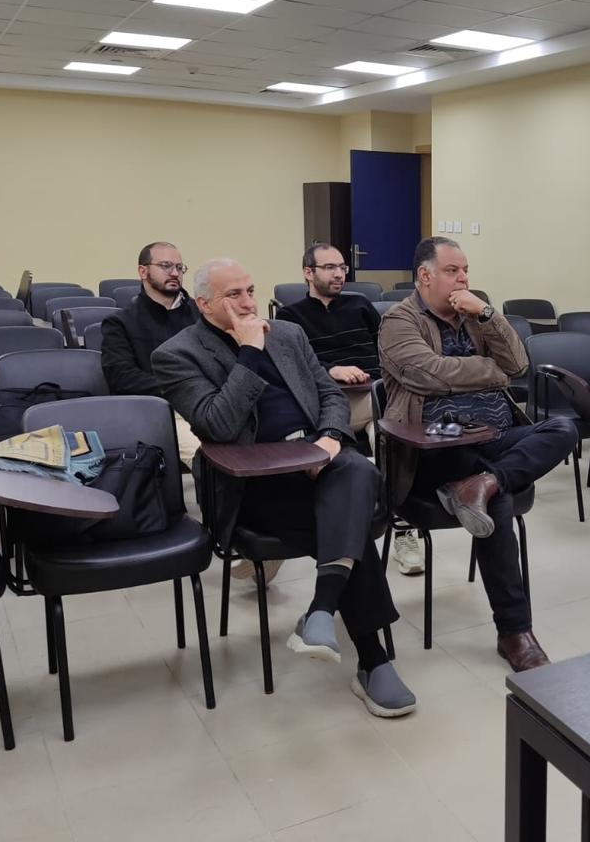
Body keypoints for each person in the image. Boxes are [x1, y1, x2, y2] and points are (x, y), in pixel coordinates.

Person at [152, 258, 414, 718]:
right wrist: (249, 353)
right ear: (204, 304)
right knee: (350, 524)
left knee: (357, 470)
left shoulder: (288, 334)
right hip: (254, 484)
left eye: (251, 290)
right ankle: (371, 659)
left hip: (318, 462)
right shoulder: (177, 354)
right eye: (234, 295)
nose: (248, 302)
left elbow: (329, 394)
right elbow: (218, 425)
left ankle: (323, 610)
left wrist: (329, 439)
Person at [378, 237, 575, 672]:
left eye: (466, 270)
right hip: (435, 444)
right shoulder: (398, 320)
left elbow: (518, 364)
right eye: (453, 270)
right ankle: (515, 632)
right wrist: (490, 372)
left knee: (563, 428)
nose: (463, 278)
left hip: (495, 436)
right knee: (499, 503)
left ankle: (482, 484)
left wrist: (487, 313)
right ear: (425, 275)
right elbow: (427, 374)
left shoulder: (473, 315)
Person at [276, 242, 425, 578]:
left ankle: (402, 529)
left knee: (390, 439)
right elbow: (292, 368)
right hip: (326, 403)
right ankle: (287, 539)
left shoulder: (360, 305)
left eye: (342, 267)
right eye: (330, 267)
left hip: (372, 396)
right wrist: (332, 370)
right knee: (379, 431)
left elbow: (387, 349)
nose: (339, 274)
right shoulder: (290, 317)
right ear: (308, 273)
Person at [100, 242, 200, 463]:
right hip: (163, 412)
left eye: (179, 267)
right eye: (165, 266)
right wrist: (182, 390)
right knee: (214, 458)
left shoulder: (202, 315)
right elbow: (122, 378)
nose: (175, 273)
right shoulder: (121, 323)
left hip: (210, 404)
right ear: (143, 271)